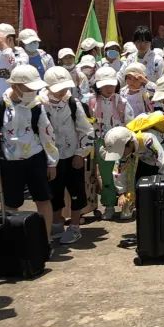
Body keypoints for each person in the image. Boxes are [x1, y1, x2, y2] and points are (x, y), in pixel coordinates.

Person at [0, 64, 59, 243]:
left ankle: (45, 241)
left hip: (35, 158)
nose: (32, 92)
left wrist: (52, 162)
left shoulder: (37, 106)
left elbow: (47, 134)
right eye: (28, 88)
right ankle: (14, 243)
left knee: (43, 199)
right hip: (9, 161)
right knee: (11, 204)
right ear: (15, 86)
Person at [41, 66, 94, 245]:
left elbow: (86, 130)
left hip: (72, 156)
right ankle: (57, 223)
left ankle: (75, 226)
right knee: (54, 193)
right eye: (58, 88)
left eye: (65, 87)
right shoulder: (40, 104)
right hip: (51, 159)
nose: (62, 91)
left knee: (76, 192)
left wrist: (81, 153)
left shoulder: (73, 103)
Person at [89, 65, 133, 218]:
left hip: (121, 142)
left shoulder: (122, 101)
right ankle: (108, 205)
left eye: (111, 85)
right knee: (106, 175)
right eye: (104, 85)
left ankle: (126, 205)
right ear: (97, 86)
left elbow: (130, 122)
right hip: (102, 142)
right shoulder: (91, 102)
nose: (109, 88)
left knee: (123, 173)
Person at [102, 125, 164, 217]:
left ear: (129, 144)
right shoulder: (125, 151)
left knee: (157, 188)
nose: (121, 155)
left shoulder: (148, 140)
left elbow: (163, 161)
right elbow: (118, 172)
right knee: (140, 187)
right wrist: (122, 193)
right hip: (142, 159)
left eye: (121, 152)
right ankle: (139, 207)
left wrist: (163, 181)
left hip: (158, 162)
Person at [0, 23, 27, 102]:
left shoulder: (20, 55)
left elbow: (17, 69)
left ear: (10, 39)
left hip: (10, 103)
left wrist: (6, 49)